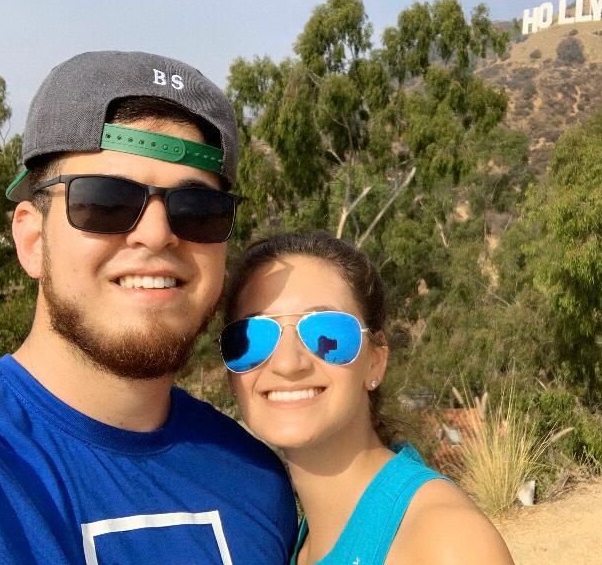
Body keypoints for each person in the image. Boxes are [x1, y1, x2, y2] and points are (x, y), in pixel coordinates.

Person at [0, 51, 297, 564]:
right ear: (32, 240)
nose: (157, 234)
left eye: (197, 209)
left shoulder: (258, 482)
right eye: (106, 201)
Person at [220, 232, 514, 565]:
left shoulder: (444, 540)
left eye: (327, 334)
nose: (288, 363)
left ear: (375, 361)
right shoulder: (292, 544)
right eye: (253, 338)